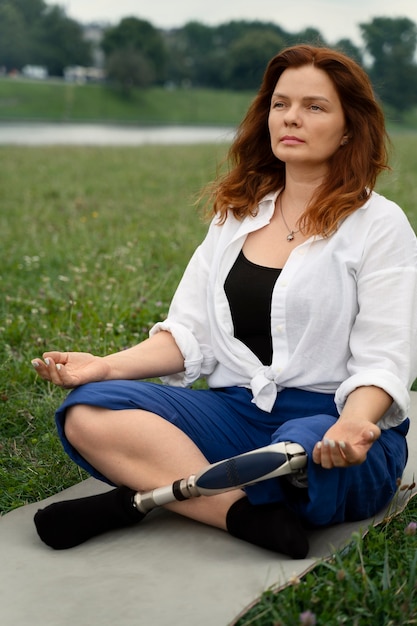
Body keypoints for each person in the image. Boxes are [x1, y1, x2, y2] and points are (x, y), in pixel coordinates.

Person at [31, 44, 417, 558]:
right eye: (280, 104)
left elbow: (386, 356)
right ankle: (238, 513)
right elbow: (188, 334)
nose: (291, 118)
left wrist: (354, 423)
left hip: (333, 420)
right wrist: (102, 368)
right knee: (86, 414)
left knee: (301, 448)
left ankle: (152, 493)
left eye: (314, 106)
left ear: (349, 127)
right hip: (238, 411)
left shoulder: (379, 225)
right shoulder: (237, 216)